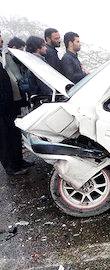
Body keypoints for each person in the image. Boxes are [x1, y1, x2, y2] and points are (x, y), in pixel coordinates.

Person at [0, 31, 32, 175]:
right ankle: (10, 167)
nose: (1, 42)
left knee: (14, 133)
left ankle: (18, 161)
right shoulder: (6, 60)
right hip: (3, 107)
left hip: (10, 104)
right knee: (4, 138)